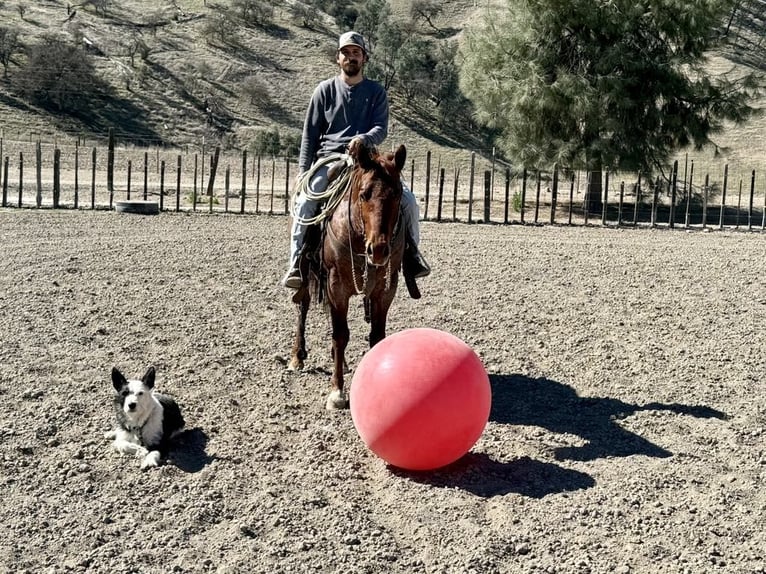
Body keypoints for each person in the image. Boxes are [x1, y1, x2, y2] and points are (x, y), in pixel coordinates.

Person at [282, 31, 430, 290]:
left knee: (408, 201)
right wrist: (303, 172)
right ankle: (296, 263)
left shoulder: (375, 92)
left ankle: (412, 256)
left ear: (364, 58)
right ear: (338, 58)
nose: (351, 57)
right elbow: (310, 135)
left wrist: (363, 139)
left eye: (356, 53)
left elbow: (380, 128)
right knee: (306, 201)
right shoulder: (324, 91)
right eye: (346, 53)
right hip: (330, 159)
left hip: (368, 161)